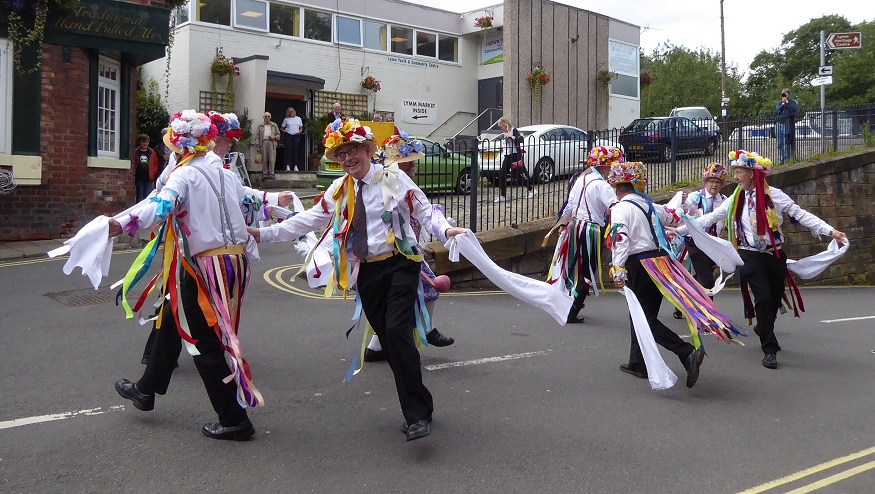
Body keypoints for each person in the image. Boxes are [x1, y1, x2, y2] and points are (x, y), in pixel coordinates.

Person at [248, 119, 466, 441]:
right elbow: (307, 220)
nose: (348, 159)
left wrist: (446, 230)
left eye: (353, 151)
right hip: (367, 272)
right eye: (341, 155)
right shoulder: (339, 190)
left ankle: (418, 415)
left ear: (368, 150)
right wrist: (263, 234)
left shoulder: (393, 178)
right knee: (391, 342)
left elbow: (424, 210)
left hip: (401, 263)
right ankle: (421, 402)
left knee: (397, 332)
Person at [58, 110, 262, 440]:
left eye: (171, 148)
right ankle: (146, 389)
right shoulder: (224, 174)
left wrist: (119, 225)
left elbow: (160, 206)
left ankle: (234, 419)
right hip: (232, 263)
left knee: (202, 341)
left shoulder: (184, 176)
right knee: (171, 313)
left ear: (179, 148)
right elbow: (251, 201)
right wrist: (280, 203)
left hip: (204, 266)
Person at [140, 112, 296, 365]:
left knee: (180, 301)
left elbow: (238, 195)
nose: (228, 147)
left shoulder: (216, 167)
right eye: (226, 141)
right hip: (191, 245)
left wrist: (272, 200)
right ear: (215, 139)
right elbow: (163, 191)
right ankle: (183, 359)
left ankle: (156, 369)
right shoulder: (190, 164)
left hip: (204, 245)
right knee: (180, 300)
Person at [679, 150, 846, 369]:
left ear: (752, 173)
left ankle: (763, 327)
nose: (735, 177)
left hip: (774, 253)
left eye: (739, 172)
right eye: (735, 172)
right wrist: (680, 229)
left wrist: (830, 231)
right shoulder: (735, 198)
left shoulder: (775, 195)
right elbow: (710, 217)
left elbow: (801, 215)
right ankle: (769, 349)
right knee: (763, 298)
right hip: (748, 254)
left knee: (774, 300)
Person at [607, 161, 714, 389]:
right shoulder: (651, 206)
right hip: (661, 263)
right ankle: (638, 363)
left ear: (618, 188)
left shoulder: (620, 208)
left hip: (640, 264)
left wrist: (618, 270)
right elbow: (674, 217)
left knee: (644, 319)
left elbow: (620, 238)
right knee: (643, 313)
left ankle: (686, 352)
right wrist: (684, 205)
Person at [363, 133, 455, 362]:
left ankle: (376, 347)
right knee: (429, 290)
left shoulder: (401, 182)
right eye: (409, 161)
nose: (414, 165)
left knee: (394, 305)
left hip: (404, 251)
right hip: (398, 254)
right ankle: (427, 331)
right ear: (398, 163)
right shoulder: (389, 181)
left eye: (414, 161)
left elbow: (423, 212)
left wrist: (444, 227)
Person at [551, 146, 619, 323]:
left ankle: (569, 304)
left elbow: (570, 204)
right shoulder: (602, 185)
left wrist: (563, 223)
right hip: (590, 231)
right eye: (611, 166)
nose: (612, 170)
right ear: (604, 166)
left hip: (574, 227)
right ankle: (572, 310)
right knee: (587, 270)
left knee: (574, 267)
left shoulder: (581, 179)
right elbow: (616, 208)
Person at [672, 163, 728, 320]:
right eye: (711, 181)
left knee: (697, 277)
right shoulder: (695, 198)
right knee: (707, 280)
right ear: (705, 182)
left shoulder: (724, 200)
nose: (714, 185)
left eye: (718, 182)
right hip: (694, 243)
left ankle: (682, 304)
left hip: (713, 244)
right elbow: (682, 211)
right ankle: (708, 315)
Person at [494, 117, 535, 202]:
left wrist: (510, 136)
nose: (501, 129)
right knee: (502, 174)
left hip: (514, 155)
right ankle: (503, 196)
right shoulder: (505, 133)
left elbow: (520, 139)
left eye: (501, 127)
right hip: (507, 155)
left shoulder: (513, 130)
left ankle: (531, 189)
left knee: (515, 175)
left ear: (505, 124)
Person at [133, 134, 160, 202]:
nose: (145, 144)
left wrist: (154, 172)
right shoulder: (136, 152)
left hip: (149, 177)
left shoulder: (152, 152)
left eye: (146, 142)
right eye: (143, 142)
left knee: (147, 195)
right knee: (140, 195)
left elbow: (156, 163)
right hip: (139, 177)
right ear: (139, 142)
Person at [255, 111, 280, 179]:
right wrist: (257, 146)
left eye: (268, 116)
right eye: (265, 116)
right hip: (263, 142)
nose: (267, 118)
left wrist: (274, 137)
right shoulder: (260, 126)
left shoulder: (274, 125)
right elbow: (257, 136)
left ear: (270, 117)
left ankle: (272, 173)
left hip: (272, 142)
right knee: (264, 159)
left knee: (272, 159)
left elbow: (279, 135)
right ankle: (264, 174)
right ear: (263, 117)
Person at [775, 89, 797, 164]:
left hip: (787, 124)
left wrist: (787, 102)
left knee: (786, 143)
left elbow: (793, 110)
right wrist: (783, 104)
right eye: (783, 94)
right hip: (779, 124)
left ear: (789, 94)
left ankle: (787, 159)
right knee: (779, 143)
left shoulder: (792, 102)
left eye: (785, 94)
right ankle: (780, 160)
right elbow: (777, 110)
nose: (784, 95)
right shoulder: (779, 103)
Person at [281, 107, 304, 172]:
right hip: (288, 135)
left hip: (296, 135)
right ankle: (288, 166)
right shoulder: (286, 119)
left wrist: (299, 131)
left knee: (295, 150)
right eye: (290, 112)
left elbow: (301, 127)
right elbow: (282, 128)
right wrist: (284, 131)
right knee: (289, 150)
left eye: (292, 112)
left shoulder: (298, 118)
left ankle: (295, 166)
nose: (291, 113)